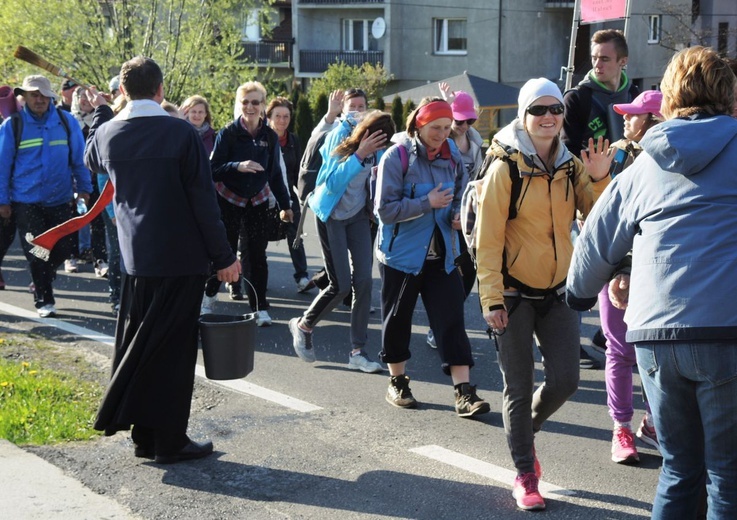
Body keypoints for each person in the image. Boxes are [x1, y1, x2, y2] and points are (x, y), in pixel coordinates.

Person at [567, 46, 737, 520]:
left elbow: (597, 238)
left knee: (680, 469)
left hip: (655, 335)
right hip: (727, 329)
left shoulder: (644, 163)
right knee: (727, 473)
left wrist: (579, 294)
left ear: (668, 99)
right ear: (729, 97)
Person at [84, 56, 240, 464]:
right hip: (181, 258)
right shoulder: (180, 133)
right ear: (161, 90)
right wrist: (224, 256)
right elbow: (203, 201)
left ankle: (145, 437)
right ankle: (169, 440)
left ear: (122, 91)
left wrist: (101, 113)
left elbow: (90, 159)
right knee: (172, 353)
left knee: (145, 346)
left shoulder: (107, 134)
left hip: (136, 259)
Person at [475, 78, 612, 510]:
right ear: (524, 116)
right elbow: (488, 239)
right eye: (539, 110)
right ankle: (525, 473)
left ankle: (524, 430)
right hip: (513, 295)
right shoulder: (505, 167)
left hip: (558, 291)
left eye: (555, 109)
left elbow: (596, 216)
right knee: (518, 386)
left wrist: (601, 177)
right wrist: (491, 298)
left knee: (567, 380)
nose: (549, 117)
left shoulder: (571, 165)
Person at [374, 97, 491, 416]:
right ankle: (397, 382)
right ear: (418, 126)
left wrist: (457, 215)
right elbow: (384, 210)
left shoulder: (452, 154)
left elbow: (461, 197)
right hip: (401, 257)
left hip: (444, 254)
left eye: (446, 127)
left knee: (452, 321)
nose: (443, 134)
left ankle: (464, 393)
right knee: (397, 321)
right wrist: (427, 202)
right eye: (435, 128)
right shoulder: (395, 157)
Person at [289, 110, 393, 373]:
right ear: (367, 133)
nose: (381, 146)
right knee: (341, 285)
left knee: (364, 282)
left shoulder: (381, 150)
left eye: (385, 142)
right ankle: (303, 325)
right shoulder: (341, 141)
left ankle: (357, 352)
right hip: (331, 215)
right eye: (379, 140)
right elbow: (331, 184)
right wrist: (359, 155)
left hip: (357, 216)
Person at [561, 28, 639, 370]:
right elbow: (566, 150)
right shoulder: (577, 98)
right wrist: (589, 186)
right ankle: (567, 342)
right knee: (580, 268)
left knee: (622, 267)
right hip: (587, 194)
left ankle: (608, 335)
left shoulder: (634, 95)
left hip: (628, 196)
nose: (597, 64)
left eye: (605, 58)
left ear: (622, 61)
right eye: (594, 58)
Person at [599, 90, 664, 465]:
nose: (625, 119)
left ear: (654, 119)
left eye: (634, 115)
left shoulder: (676, 156)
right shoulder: (616, 155)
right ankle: (621, 429)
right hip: (618, 269)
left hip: (658, 271)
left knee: (656, 353)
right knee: (620, 350)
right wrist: (619, 268)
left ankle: (654, 423)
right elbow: (605, 218)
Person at [0, 75, 91, 317]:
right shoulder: (13, 125)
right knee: (37, 250)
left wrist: (84, 190)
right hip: (25, 201)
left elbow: (79, 161)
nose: (39, 99)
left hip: (60, 199)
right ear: (25, 97)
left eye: (43, 95)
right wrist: (3, 200)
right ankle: (44, 299)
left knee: (64, 248)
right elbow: (3, 165)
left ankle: (41, 278)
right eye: (34, 95)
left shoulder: (66, 121)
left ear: (50, 97)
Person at [208, 81, 293, 326]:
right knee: (223, 251)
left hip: (258, 202)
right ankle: (209, 296)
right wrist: (238, 166)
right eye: (245, 102)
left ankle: (260, 307)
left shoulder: (269, 136)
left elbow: (275, 173)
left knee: (256, 255)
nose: (250, 106)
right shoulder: (228, 133)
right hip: (228, 200)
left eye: (255, 102)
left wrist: (285, 205)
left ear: (263, 106)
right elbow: (213, 170)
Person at [265, 96, 314, 293]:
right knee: (258, 239)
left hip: (288, 196)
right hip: (265, 197)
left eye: (286, 116)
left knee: (295, 235)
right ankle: (253, 278)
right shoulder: (263, 138)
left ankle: (302, 276)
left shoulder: (293, 140)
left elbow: (297, 171)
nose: (282, 120)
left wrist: (300, 196)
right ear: (269, 117)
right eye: (278, 116)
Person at [71, 86, 108, 278]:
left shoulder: (99, 121)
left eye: (87, 97)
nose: (84, 101)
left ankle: (100, 259)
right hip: (75, 181)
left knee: (98, 221)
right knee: (77, 217)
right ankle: (72, 255)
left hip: (95, 178)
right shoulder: (69, 122)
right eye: (81, 97)